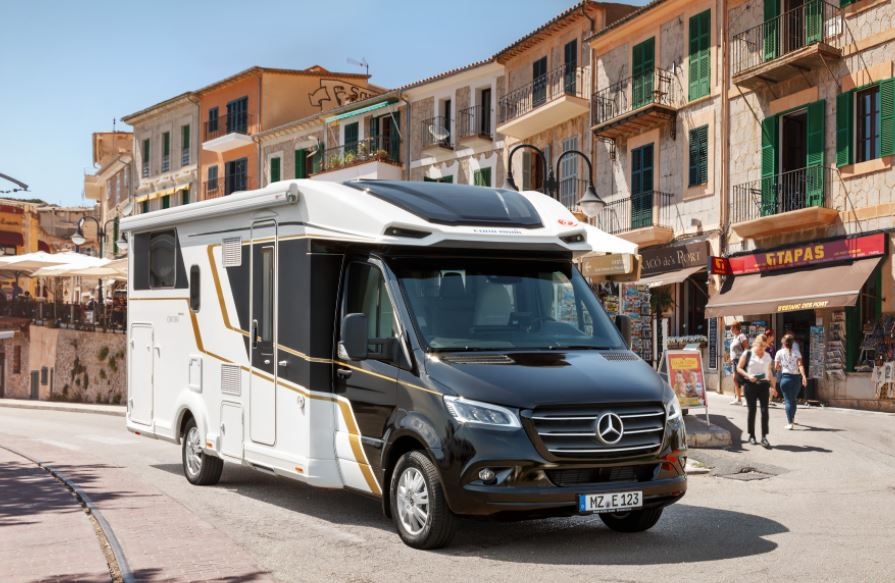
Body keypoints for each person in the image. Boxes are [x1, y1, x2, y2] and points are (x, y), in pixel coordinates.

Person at [737, 334, 777, 448]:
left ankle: (764, 437)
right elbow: (739, 368)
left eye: (765, 346)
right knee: (752, 410)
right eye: (761, 346)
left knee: (765, 411)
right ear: (757, 343)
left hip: (764, 385)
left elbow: (769, 372)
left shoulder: (767, 356)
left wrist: (773, 387)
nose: (763, 348)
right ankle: (752, 435)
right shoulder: (748, 353)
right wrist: (748, 375)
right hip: (750, 385)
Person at [775, 334, 807, 430]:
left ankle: (790, 423)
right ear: (792, 343)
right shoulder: (797, 352)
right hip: (796, 379)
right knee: (793, 400)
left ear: (783, 343)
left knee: (788, 401)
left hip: (785, 378)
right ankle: (792, 419)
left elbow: (776, 367)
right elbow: (800, 365)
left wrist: (783, 366)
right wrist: (804, 376)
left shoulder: (779, 352)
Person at [729, 331, 748, 405]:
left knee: (744, 379)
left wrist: (744, 358)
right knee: (735, 379)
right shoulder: (734, 337)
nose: (730, 330)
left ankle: (747, 399)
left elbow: (746, 347)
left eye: (731, 328)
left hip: (740, 360)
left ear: (735, 328)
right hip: (734, 360)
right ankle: (738, 398)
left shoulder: (741, 336)